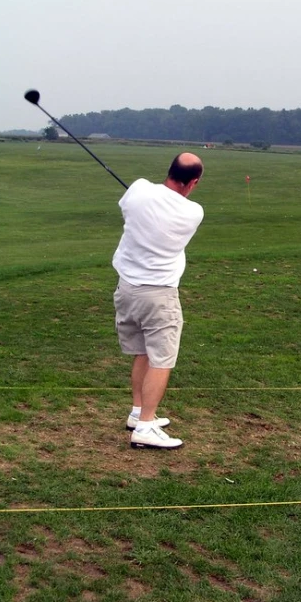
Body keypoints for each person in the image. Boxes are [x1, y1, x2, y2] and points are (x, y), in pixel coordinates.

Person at [112, 152, 204, 449]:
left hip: (127, 290)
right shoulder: (194, 212)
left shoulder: (137, 189)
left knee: (144, 353)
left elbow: (129, 207)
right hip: (159, 295)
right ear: (193, 183)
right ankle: (146, 426)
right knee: (161, 359)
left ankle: (138, 412)